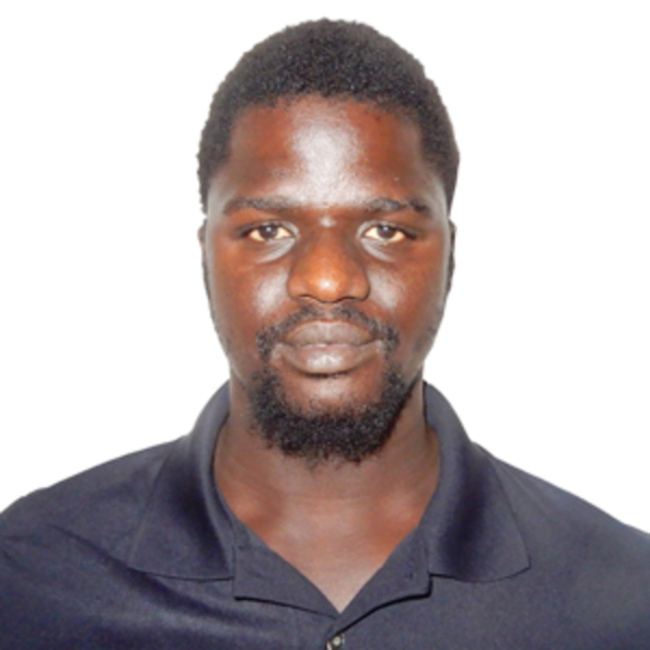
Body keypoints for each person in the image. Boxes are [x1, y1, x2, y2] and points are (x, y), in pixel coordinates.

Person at [1, 19, 649, 649]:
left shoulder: (622, 602)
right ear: (206, 256)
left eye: (385, 230)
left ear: (449, 258)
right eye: (268, 230)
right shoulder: (33, 576)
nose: (329, 280)